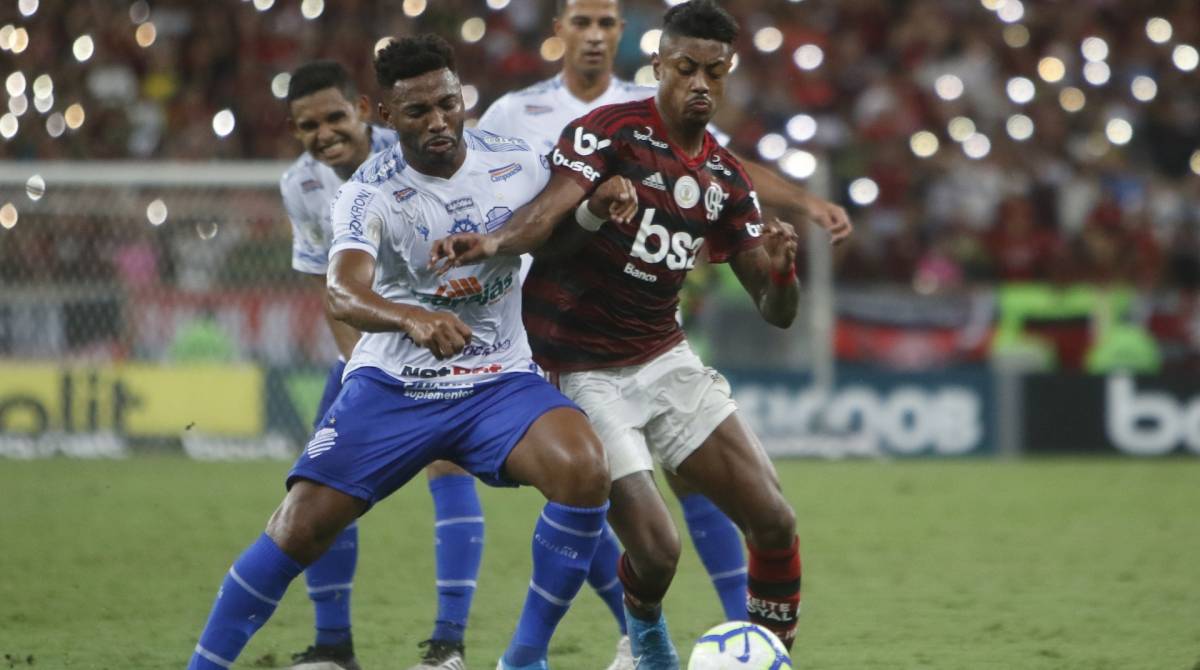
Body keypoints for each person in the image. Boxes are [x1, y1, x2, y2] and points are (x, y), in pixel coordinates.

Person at [189, 34, 622, 670]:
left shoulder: (518, 160)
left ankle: (523, 658)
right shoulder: (368, 192)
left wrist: (592, 216)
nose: (440, 121)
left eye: (448, 104)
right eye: (418, 112)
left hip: (497, 379)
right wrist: (411, 318)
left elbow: (551, 243)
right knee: (297, 527)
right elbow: (343, 291)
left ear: (461, 96)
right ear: (385, 116)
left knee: (584, 468)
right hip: (396, 385)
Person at [433, 2, 808, 665]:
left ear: (728, 76)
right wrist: (491, 239)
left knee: (775, 520)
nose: (700, 84)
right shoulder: (607, 133)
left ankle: (767, 655)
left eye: (714, 73)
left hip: (662, 356)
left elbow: (776, 311)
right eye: (686, 68)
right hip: (577, 369)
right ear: (659, 64)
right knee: (659, 550)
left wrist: (781, 276)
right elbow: (546, 216)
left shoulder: (724, 178)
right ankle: (645, 635)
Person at [279, 60, 485, 670]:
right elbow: (330, 288)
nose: (324, 134)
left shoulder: (420, 148)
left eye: (335, 117)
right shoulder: (300, 185)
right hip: (375, 347)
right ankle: (333, 648)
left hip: (448, 334)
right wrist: (359, 369)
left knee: (450, 466)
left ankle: (448, 646)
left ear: (366, 112)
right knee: (320, 482)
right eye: (307, 125)